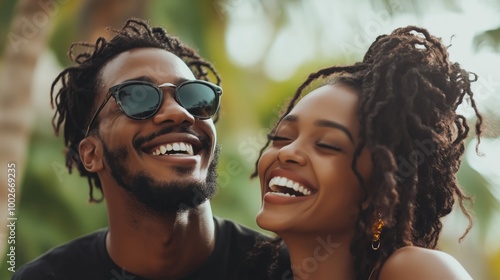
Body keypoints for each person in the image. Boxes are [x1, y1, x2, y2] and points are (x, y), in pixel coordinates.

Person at [13, 18, 290, 280]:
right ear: (92, 154)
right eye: (137, 97)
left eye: (194, 96)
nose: (179, 113)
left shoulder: (284, 271)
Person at [254, 26, 482, 280]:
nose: (287, 151)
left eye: (327, 145)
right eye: (281, 137)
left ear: (382, 191)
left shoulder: (414, 269)